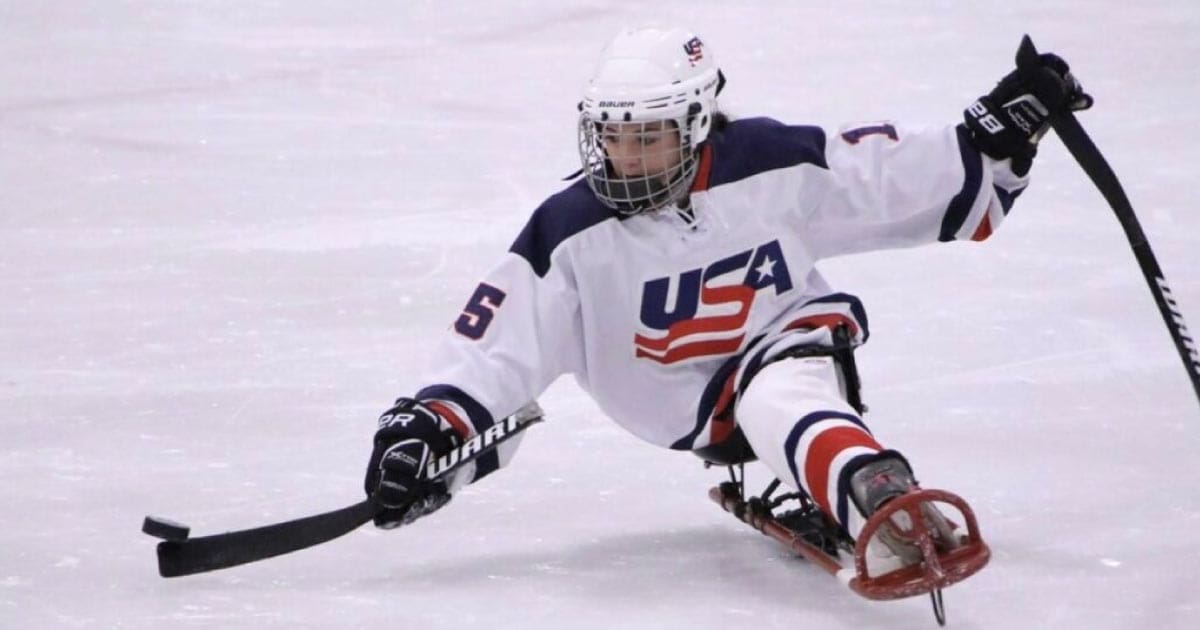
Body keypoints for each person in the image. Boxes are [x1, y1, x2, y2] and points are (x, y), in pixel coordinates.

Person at [363, 27, 1091, 568]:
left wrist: (992, 136)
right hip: (682, 406)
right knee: (758, 403)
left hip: (787, 339)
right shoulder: (570, 232)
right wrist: (428, 429)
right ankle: (862, 486)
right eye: (613, 136)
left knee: (779, 395)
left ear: (695, 123)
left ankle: (879, 492)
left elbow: (885, 176)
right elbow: (497, 344)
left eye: (648, 136)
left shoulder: (767, 163)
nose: (625, 155)